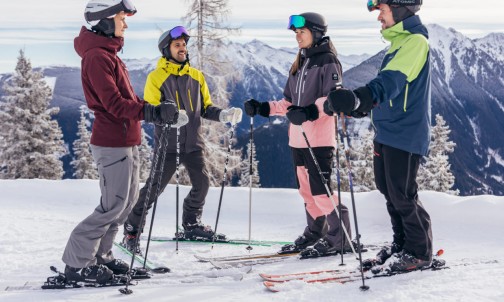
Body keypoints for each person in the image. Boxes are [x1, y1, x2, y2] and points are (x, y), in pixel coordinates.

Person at [62, 0, 179, 284]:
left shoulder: (109, 55)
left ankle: (102, 257)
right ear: (105, 20)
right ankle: (77, 264)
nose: (125, 24)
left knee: (126, 204)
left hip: (126, 139)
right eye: (121, 18)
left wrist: (154, 108)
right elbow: (114, 104)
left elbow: (128, 99)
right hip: (111, 141)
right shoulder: (97, 57)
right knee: (112, 205)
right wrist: (151, 112)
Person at [325, 0, 433, 271]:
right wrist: (355, 106)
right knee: (389, 191)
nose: (379, 18)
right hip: (387, 131)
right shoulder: (398, 45)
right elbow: (389, 96)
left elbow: (389, 84)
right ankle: (402, 245)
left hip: (405, 133)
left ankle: (419, 252)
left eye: (382, 11)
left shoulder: (415, 42)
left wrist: (358, 98)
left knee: (402, 194)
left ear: (399, 10)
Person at [121, 26, 243, 254]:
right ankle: (131, 231)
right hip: (168, 146)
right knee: (153, 190)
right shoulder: (156, 77)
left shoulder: (196, 76)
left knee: (202, 184)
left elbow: (205, 108)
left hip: (193, 145)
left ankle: (191, 225)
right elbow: (151, 110)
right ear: (166, 49)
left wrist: (224, 115)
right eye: (177, 45)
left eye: (184, 45)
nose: (182, 49)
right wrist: (170, 118)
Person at [244, 13, 353, 258]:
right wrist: (262, 108)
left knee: (321, 191)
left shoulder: (328, 61)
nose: (297, 36)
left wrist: (308, 112)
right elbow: (287, 103)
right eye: (295, 33)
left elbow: (332, 100)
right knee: (306, 191)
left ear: (315, 32)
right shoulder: (299, 63)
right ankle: (316, 231)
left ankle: (340, 237)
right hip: (297, 139)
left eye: (301, 32)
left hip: (320, 140)